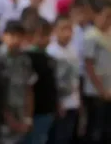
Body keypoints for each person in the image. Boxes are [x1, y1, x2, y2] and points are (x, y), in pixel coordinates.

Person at [0, 20, 34, 144]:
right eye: (12, 35)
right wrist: (10, 120)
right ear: (4, 36)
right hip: (2, 121)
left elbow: (29, 89)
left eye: (19, 36)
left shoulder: (24, 60)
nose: (16, 40)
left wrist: (28, 118)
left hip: (21, 115)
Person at [22, 17, 58, 144]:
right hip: (35, 111)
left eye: (48, 35)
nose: (47, 39)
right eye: (43, 35)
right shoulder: (28, 58)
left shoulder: (47, 57)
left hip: (47, 110)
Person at [46, 15, 80, 144]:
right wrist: (58, 102)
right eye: (63, 29)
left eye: (70, 29)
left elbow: (76, 77)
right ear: (55, 31)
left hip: (73, 101)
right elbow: (53, 82)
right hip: (60, 104)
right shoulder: (51, 52)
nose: (67, 33)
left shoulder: (73, 50)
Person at [82, 0, 111, 144]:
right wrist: (102, 90)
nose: (107, 20)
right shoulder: (91, 36)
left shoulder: (109, 35)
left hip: (109, 89)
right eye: (105, 16)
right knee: (95, 129)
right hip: (96, 92)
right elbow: (89, 66)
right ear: (96, 16)